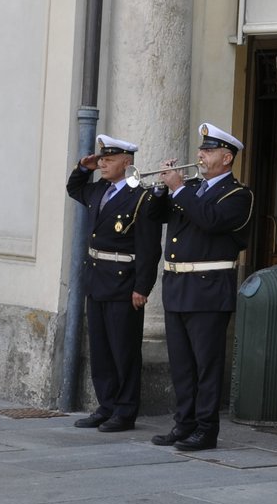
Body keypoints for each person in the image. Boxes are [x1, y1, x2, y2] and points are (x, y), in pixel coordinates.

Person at [145, 123, 254, 452]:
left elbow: (210, 220)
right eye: (201, 150)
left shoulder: (238, 195)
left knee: (206, 365)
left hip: (208, 290)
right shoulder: (191, 188)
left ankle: (206, 430)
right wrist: (163, 191)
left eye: (208, 151)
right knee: (182, 364)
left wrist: (179, 189)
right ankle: (184, 423)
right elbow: (154, 216)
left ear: (227, 158)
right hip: (178, 287)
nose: (200, 156)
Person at [65, 135, 162, 432]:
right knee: (101, 349)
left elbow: (149, 247)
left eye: (109, 159)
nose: (103, 162)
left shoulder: (141, 197)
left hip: (123, 283)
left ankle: (125, 410)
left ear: (127, 162)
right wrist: (84, 167)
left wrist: (142, 288)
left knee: (124, 350)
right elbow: (74, 188)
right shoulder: (98, 190)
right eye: (102, 158)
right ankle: (106, 405)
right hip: (96, 279)